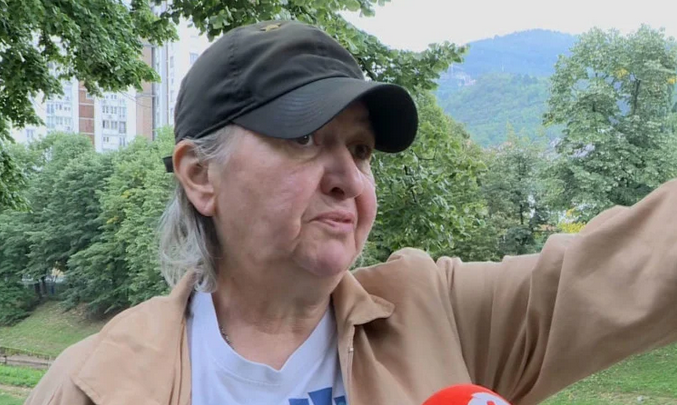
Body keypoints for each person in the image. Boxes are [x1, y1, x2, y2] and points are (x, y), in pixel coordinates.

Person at [26, 20, 677, 405]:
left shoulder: (441, 315)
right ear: (200, 175)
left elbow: (634, 266)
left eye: (360, 149)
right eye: (303, 137)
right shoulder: (91, 383)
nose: (347, 177)